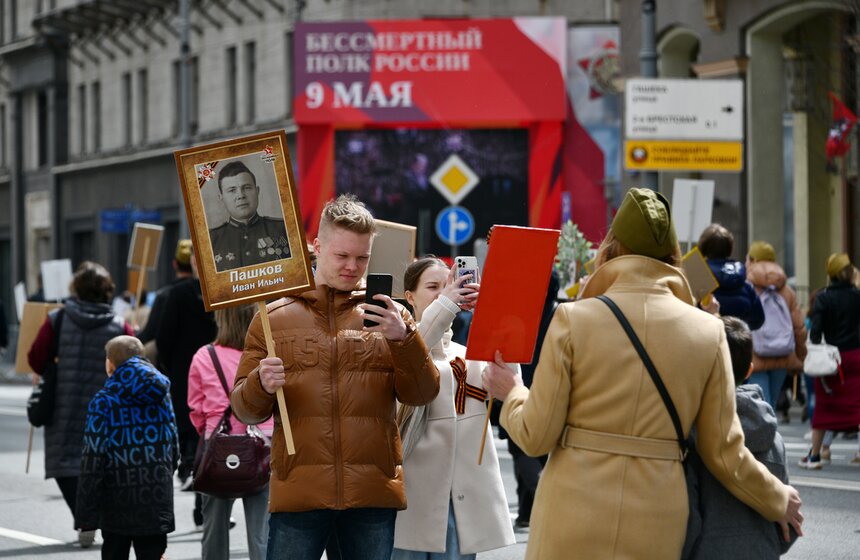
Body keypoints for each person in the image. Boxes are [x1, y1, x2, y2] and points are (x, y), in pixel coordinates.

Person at [482, 188, 803, 559]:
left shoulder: (573, 320)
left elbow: (536, 436)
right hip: (659, 516)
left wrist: (515, 391)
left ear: (612, 247)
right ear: (672, 254)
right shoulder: (708, 331)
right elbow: (725, 454)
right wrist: (778, 498)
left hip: (572, 511)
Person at [230, 194, 440, 560]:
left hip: (371, 494)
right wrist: (259, 385)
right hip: (299, 493)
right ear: (317, 246)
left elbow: (422, 394)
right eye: (342, 256)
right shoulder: (274, 317)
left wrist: (404, 341)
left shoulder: (391, 316)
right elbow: (245, 411)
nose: (352, 267)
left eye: (362, 257)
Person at [392, 257, 515, 559]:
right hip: (412, 500)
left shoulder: (466, 353)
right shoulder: (393, 345)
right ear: (409, 296)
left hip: (460, 501)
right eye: (432, 287)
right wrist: (446, 305)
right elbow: (416, 347)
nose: (442, 294)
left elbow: (506, 383)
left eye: (447, 286)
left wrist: (493, 311)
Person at [27, 261, 133, 547]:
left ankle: (85, 518)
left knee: (66, 464)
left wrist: (53, 362)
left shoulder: (57, 320)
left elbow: (35, 358)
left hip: (65, 402)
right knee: (106, 462)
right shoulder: (119, 325)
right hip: (109, 406)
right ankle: (94, 515)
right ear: (106, 290)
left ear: (76, 289)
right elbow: (134, 363)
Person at [683, 317, 796, 559]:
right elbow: (788, 524)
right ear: (749, 370)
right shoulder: (772, 437)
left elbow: (688, 521)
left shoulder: (692, 437)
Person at [76, 335, 179, 560]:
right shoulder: (160, 393)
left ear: (110, 363)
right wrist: (161, 477)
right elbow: (173, 445)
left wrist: (86, 514)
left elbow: (92, 458)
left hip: (116, 502)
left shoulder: (103, 401)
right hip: (155, 498)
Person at [188, 304, 274, 560]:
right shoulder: (267, 355)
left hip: (218, 450)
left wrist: (211, 431)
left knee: (214, 532)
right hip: (264, 446)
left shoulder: (205, 356)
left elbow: (195, 409)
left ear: (221, 318)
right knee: (263, 535)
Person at [155, 242, 217, 527]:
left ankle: (193, 477)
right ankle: (202, 505)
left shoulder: (177, 294)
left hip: (186, 375)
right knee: (212, 437)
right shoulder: (223, 292)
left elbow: (164, 337)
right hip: (219, 373)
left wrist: (171, 366)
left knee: (191, 435)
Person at [498, 270, 559, 530]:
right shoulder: (561, 317)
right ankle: (526, 511)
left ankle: (546, 504)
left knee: (521, 447)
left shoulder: (520, 316)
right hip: (549, 389)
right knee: (534, 449)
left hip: (517, 386)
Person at [799, 253, 860, 468]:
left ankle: (815, 456)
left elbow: (815, 333)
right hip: (856, 357)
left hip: (832, 361)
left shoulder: (824, 297)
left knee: (825, 407)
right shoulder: (857, 295)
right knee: (857, 404)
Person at [745, 241, 807, 408]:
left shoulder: (747, 287)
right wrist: (801, 357)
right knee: (770, 406)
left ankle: (768, 434)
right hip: (783, 354)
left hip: (756, 357)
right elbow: (799, 329)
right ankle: (771, 433)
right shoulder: (787, 291)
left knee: (761, 408)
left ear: (752, 260)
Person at [208, 160, 290, 272]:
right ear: (221, 198)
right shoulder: (210, 241)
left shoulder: (284, 229)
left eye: (246, 188)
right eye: (232, 190)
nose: (241, 196)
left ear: (257, 191)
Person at [697, 223, 764, 330]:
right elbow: (758, 321)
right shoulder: (746, 285)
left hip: (708, 341)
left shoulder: (696, 281)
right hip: (739, 343)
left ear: (703, 248)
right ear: (730, 248)